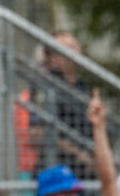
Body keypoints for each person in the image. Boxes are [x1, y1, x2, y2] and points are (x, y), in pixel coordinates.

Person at [30, 31, 94, 184]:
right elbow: (35, 134)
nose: (76, 51)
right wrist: (77, 152)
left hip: (86, 177)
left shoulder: (84, 89)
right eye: (68, 48)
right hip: (57, 177)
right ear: (52, 59)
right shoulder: (45, 86)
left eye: (76, 46)